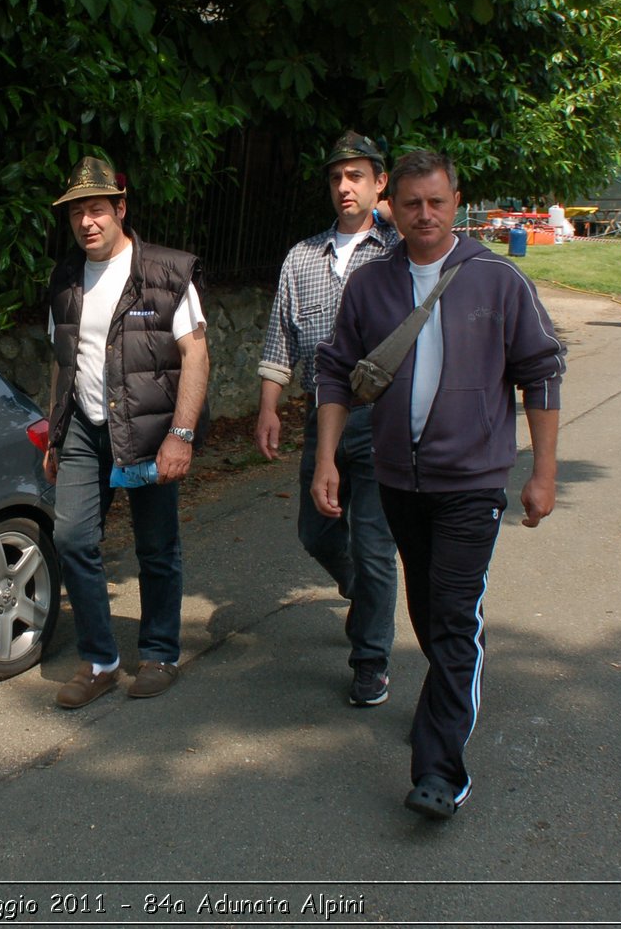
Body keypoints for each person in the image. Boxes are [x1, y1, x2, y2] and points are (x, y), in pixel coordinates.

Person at [311, 150, 565, 820]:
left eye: (438, 202)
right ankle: (452, 691)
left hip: (471, 484)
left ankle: (440, 771)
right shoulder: (370, 286)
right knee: (425, 611)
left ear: (457, 202)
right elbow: (336, 373)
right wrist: (326, 458)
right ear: (391, 203)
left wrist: (543, 472)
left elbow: (541, 373)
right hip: (398, 480)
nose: (425, 214)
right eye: (413, 202)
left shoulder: (498, 280)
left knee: (453, 616)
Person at [42, 155, 210, 708]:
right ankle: (99, 660)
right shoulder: (65, 278)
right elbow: (60, 359)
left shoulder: (165, 271)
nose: (87, 223)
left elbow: (195, 354)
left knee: (156, 547)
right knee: (70, 538)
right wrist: (54, 430)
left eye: (97, 210)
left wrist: (180, 436)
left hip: (147, 429)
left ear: (120, 209)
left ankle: (160, 652)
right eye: (77, 214)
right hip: (85, 431)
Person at [255, 131, 400, 707]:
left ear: (379, 183)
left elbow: (444, 235)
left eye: (358, 176)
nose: (345, 186)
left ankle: (371, 661)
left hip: (384, 421)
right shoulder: (302, 257)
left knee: (372, 543)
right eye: (338, 177)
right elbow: (278, 341)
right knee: (315, 531)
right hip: (322, 420)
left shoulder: (399, 252)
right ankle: (365, 596)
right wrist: (268, 407)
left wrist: (389, 215)